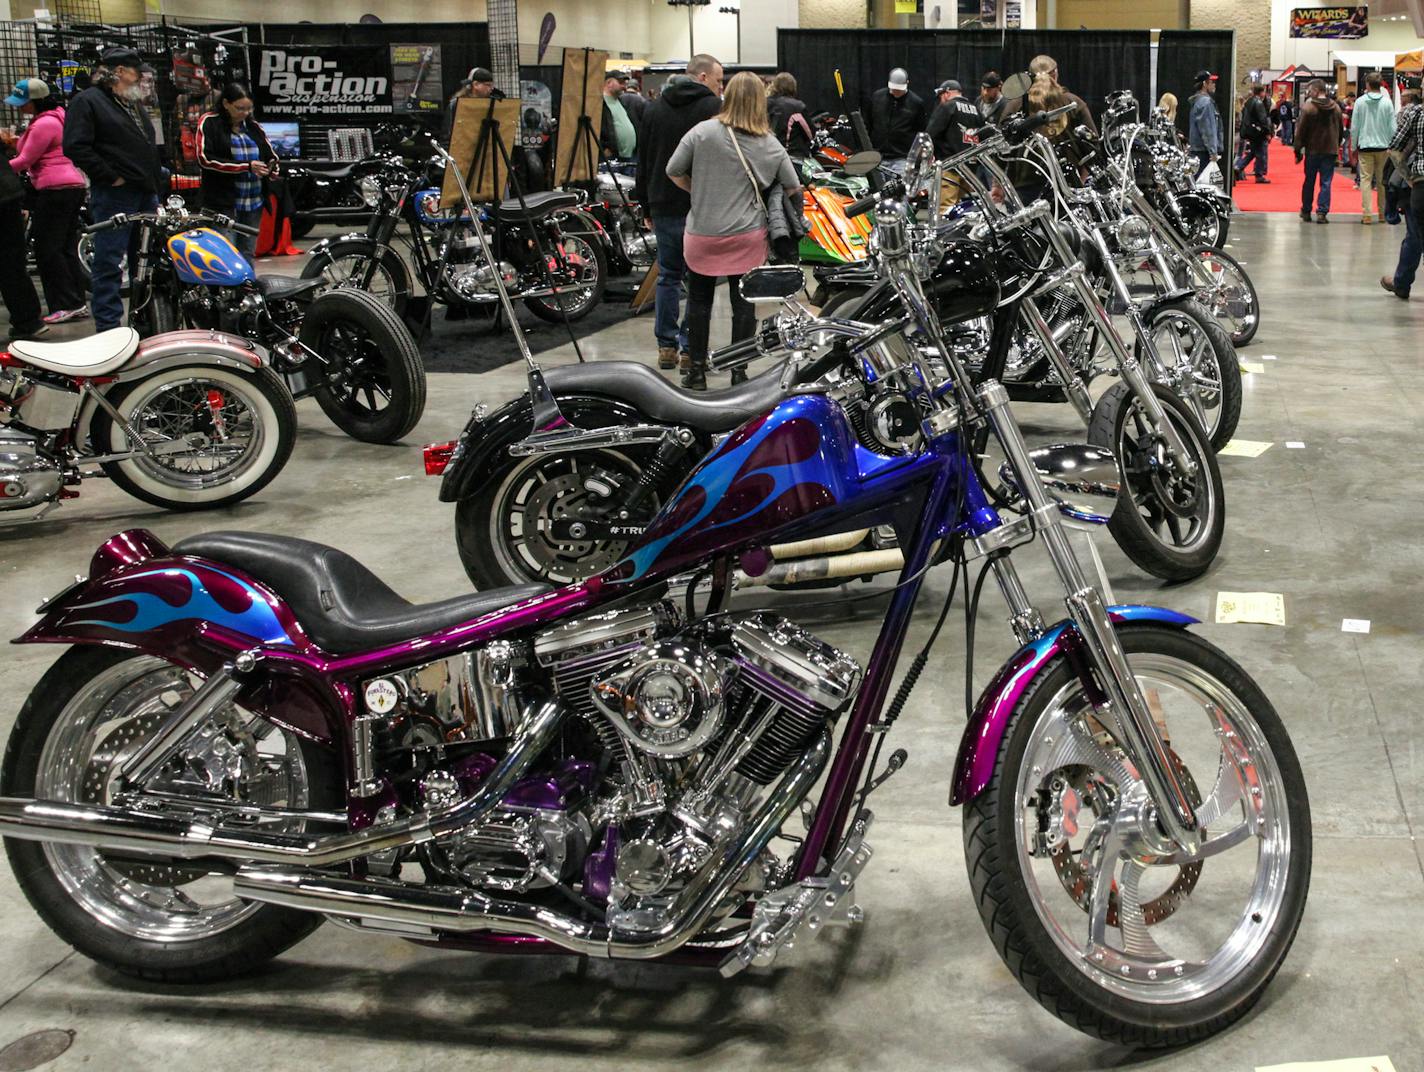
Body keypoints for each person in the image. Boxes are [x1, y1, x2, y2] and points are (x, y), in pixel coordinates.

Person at [666, 71, 800, 391]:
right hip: (747, 235)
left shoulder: (701, 133)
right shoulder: (769, 143)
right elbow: (793, 186)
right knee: (743, 305)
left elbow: (673, 170)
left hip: (702, 233)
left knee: (699, 301)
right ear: (759, 102)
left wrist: (699, 192)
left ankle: (696, 371)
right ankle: (738, 371)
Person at [62, 45, 163, 333]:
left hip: (144, 192)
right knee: (109, 261)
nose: (140, 79)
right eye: (136, 73)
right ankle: (108, 328)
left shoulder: (131, 104)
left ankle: (145, 322)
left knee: (146, 261)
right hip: (116, 194)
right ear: (119, 72)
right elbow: (75, 146)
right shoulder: (88, 101)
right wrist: (110, 176)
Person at [634, 53, 724, 372]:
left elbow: (642, 159)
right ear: (701, 77)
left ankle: (666, 347)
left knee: (668, 276)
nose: (720, 86)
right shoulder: (713, 109)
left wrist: (644, 202)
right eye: (718, 80)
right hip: (701, 203)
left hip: (661, 202)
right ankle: (691, 348)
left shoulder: (654, 107)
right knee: (699, 280)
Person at [3, 77, 88, 324]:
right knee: (65, 248)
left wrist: (2, 169)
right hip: (69, 187)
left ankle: (64, 303)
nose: (19, 106)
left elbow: (24, 160)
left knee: (48, 250)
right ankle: (76, 302)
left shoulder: (45, 124)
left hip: (55, 188)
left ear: (36, 101)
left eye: (23, 102)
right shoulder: (55, 119)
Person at [197, 83, 278, 265]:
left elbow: (270, 154)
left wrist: (272, 168)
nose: (245, 113)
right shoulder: (209, 122)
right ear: (226, 104)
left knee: (247, 252)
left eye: (249, 108)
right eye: (240, 108)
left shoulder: (254, 127)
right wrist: (246, 166)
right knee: (225, 253)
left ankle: (246, 291)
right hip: (223, 204)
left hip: (253, 203)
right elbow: (205, 159)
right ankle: (223, 293)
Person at [1380, 92, 1424, 299]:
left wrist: (1408, 178)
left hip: (1419, 184)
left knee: (1415, 236)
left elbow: (1395, 149)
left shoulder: (1416, 114)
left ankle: (1402, 282)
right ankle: (1401, 282)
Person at [926, 80, 985, 208]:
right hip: (971, 170)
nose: (940, 100)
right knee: (964, 210)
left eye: (941, 96)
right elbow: (984, 137)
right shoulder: (976, 110)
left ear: (946, 93)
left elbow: (931, 134)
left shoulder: (947, 107)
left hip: (950, 167)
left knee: (945, 209)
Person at [1295, 79, 1342, 223]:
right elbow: (1340, 130)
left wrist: (1297, 150)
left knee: (1309, 181)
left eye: (1310, 90)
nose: (1309, 93)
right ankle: (1322, 212)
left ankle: (1306, 210)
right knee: (1326, 182)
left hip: (1313, 150)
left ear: (1315, 90)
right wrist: (1336, 145)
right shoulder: (1336, 108)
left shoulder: (1308, 107)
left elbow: (1301, 131)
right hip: (1330, 150)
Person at [1351, 72, 1395, 224]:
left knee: (1365, 180)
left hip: (1365, 147)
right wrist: (1393, 146)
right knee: (1383, 182)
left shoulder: (1360, 102)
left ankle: (1367, 214)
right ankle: (1382, 214)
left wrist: (1352, 146)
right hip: (1383, 147)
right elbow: (1392, 128)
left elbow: (1354, 127)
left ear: (1367, 85)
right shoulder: (1387, 103)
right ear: (1381, 84)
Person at [1027, 55, 1096, 135]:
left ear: (1030, 76)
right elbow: (1092, 140)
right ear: (1055, 74)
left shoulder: (1018, 103)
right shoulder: (1073, 101)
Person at [869, 68, 926, 160]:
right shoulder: (877, 97)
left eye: (898, 90)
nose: (895, 92)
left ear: (907, 83)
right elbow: (869, 122)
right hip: (877, 153)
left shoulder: (916, 103)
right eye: (893, 89)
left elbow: (920, 129)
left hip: (901, 156)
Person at [443, 67, 501, 143]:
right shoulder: (456, 105)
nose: (491, 88)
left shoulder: (490, 104)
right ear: (476, 84)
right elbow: (447, 134)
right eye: (488, 85)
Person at [766, 72, 812, 156]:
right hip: (791, 154)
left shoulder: (764, 103)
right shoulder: (798, 107)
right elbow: (810, 133)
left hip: (768, 154)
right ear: (793, 86)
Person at [1188, 71, 1223, 178]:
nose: (1214, 85)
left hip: (1197, 150)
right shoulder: (1205, 103)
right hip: (1203, 152)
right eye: (1211, 82)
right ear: (1204, 84)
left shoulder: (1197, 101)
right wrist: (1213, 152)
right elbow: (1208, 129)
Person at [1235, 84, 1272, 183]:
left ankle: (1239, 166)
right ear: (1261, 92)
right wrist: (1267, 132)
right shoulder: (1259, 103)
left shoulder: (1249, 102)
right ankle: (1259, 175)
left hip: (1250, 131)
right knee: (1260, 153)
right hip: (1258, 132)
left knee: (1253, 152)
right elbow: (1263, 119)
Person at [600, 70, 637, 161]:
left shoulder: (621, 102)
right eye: (620, 83)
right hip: (612, 158)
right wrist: (603, 148)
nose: (624, 87)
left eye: (625, 83)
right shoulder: (599, 104)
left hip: (628, 157)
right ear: (609, 83)